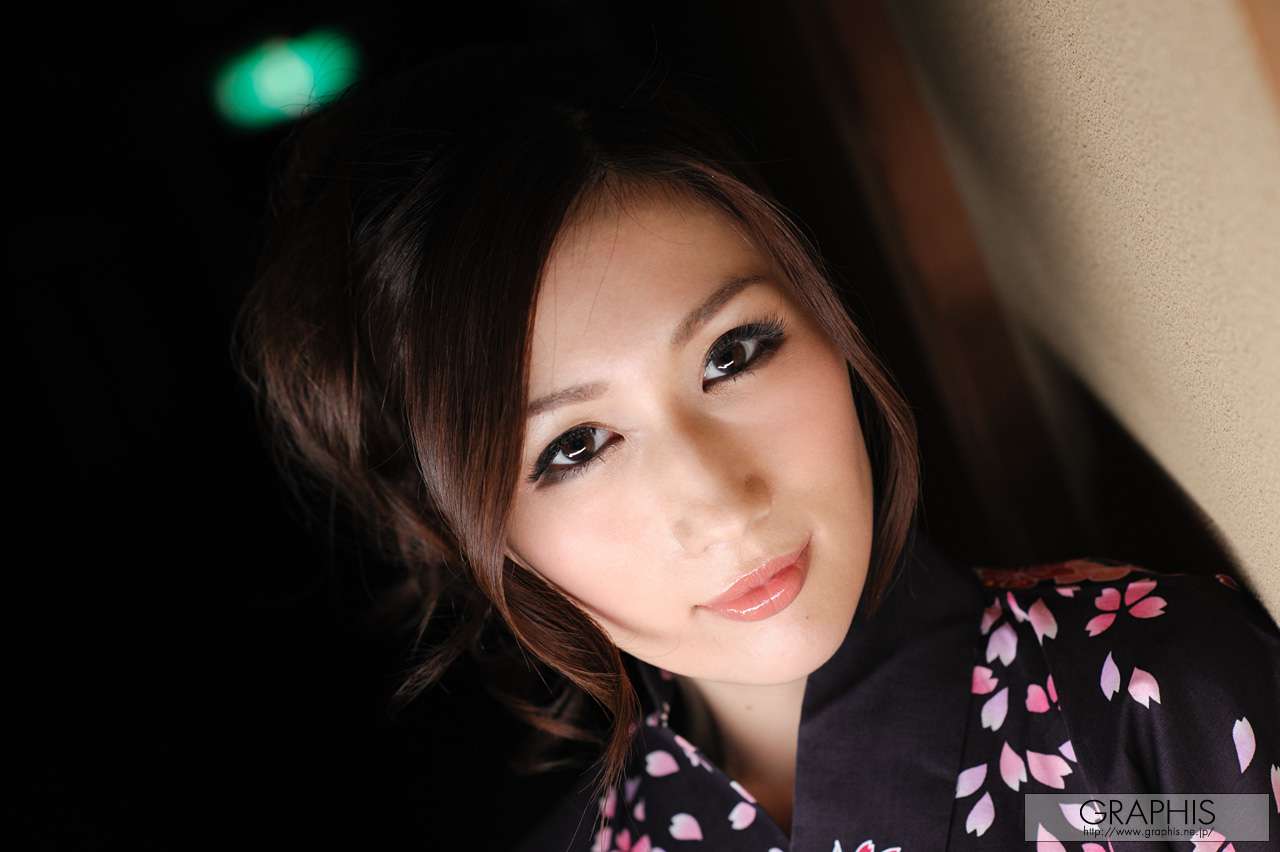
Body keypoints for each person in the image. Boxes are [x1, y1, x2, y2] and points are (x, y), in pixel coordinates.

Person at [233, 42, 1280, 851]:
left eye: (732, 354)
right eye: (575, 446)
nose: (721, 501)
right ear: (484, 533)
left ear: (826, 320)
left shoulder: (1143, 709)